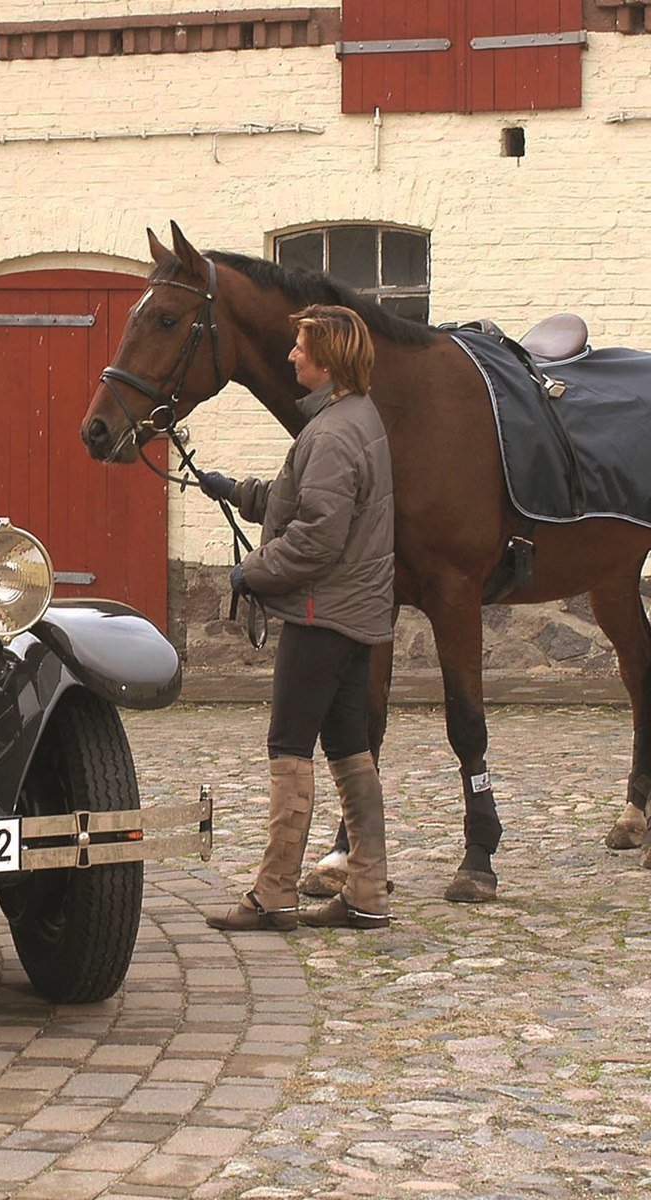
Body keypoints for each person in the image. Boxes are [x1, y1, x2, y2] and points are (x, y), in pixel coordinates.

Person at [199, 304, 397, 932]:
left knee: (289, 747)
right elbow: (305, 501)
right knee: (349, 749)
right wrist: (235, 490)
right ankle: (367, 892)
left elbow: (317, 536)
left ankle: (273, 893)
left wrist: (250, 573)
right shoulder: (352, 419)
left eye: (301, 347)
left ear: (329, 359)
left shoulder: (334, 432)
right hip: (352, 614)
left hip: (322, 615)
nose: (291, 355)